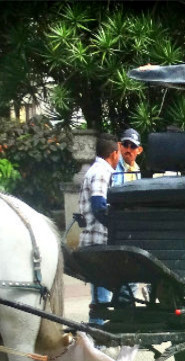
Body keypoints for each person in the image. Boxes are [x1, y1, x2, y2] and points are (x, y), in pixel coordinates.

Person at [78, 133, 120, 325]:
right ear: (113, 153)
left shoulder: (93, 170)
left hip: (93, 240)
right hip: (99, 242)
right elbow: (99, 206)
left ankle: (96, 340)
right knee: (101, 298)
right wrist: (118, 227)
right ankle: (97, 341)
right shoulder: (102, 172)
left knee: (100, 296)